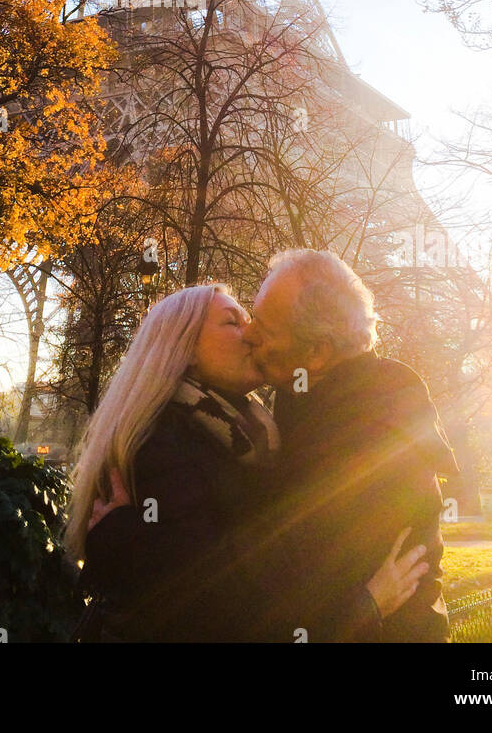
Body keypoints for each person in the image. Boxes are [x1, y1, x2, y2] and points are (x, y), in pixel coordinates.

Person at [68, 281, 428, 642]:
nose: (252, 334)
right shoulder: (163, 445)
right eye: (232, 323)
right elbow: (214, 613)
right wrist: (365, 607)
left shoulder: (239, 435)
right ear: (185, 349)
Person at [241, 249, 459, 643]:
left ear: (317, 353)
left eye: (263, 326)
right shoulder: (309, 394)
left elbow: (298, 576)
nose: (247, 333)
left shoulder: (369, 433)